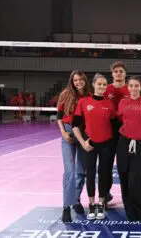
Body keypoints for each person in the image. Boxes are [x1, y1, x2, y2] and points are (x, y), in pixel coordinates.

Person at [72, 73, 116, 220]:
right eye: (99, 84)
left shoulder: (109, 104)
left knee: (103, 174)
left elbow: (115, 124)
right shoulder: (84, 102)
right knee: (90, 174)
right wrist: (83, 142)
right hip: (90, 144)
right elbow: (75, 125)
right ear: (93, 85)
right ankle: (91, 204)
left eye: (104, 84)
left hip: (106, 144)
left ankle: (101, 204)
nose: (102, 87)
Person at [116, 76, 141, 221]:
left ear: (140, 87)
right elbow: (121, 119)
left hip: (140, 144)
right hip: (123, 142)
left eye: (136, 85)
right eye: (131, 85)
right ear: (128, 87)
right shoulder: (122, 102)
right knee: (124, 176)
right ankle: (130, 212)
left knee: (135, 178)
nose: (133, 88)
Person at [57, 71, 90, 222]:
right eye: (75, 80)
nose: (78, 82)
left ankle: (75, 199)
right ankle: (66, 207)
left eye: (80, 79)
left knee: (81, 171)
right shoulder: (65, 94)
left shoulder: (89, 95)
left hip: (84, 133)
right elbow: (59, 116)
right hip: (69, 132)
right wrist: (63, 132)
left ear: (85, 80)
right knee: (69, 171)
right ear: (72, 81)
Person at [103, 61, 129, 204]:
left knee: (124, 164)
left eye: (121, 71)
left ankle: (126, 195)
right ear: (112, 74)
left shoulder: (130, 89)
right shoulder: (106, 89)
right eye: (116, 71)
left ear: (125, 74)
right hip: (108, 130)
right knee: (107, 163)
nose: (118, 73)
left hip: (125, 131)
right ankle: (105, 193)